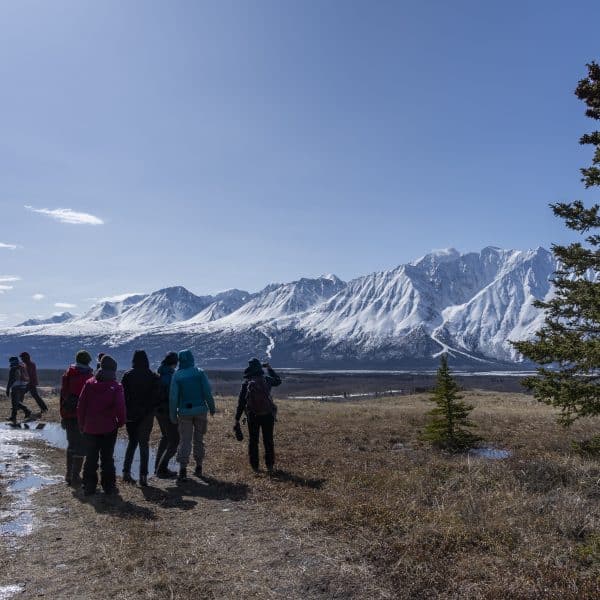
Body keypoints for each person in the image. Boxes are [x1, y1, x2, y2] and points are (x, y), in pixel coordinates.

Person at [77, 354, 126, 496]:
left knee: (91, 457)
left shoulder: (89, 383)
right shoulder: (116, 386)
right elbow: (120, 407)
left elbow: (81, 406)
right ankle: (108, 486)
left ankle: (89, 486)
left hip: (90, 428)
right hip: (109, 428)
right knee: (107, 458)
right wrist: (121, 422)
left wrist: (81, 424)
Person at [169, 349, 215, 482]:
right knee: (199, 439)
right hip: (200, 410)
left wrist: (173, 415)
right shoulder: (200, 372)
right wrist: (212, 408)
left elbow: (173, 398)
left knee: (185, 440)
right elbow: (207, 392)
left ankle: (183, 469)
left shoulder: (177, 376)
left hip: (184, 412)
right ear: (191, 358)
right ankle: (199, 466)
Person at [234, 358, 281, 473]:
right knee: (268, 440)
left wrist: (237, 419)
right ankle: (269, 465)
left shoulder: (247, 383)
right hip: (268, 414)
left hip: (252, 415)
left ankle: (255, 466)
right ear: (260, 368)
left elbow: (241, 403)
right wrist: (269, 368)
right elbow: (278, 381)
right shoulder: (267, 379)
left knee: (253, 440)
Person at [121, 350, 159, 487]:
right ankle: (143, 476)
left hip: (131, 414)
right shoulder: (153, 376)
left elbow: (122, 397)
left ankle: (126, 472)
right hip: (147, 415)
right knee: (144, 444)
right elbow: (156, 397)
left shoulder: (127, 375)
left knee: (132, 442)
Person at [60, 350, 94, 486]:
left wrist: (62, 414)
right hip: (83, 416)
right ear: (88, 361)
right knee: (81, 445)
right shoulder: (90, 376)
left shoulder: (68, 373)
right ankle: (75, 476)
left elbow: (63, 395)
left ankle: (68, 474)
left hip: (68, 413)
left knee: (71, 444)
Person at [154, 351, 179, 478]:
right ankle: (161, 469)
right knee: (175, 440)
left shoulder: (159, 373)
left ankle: (157, 466)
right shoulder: (170, 376)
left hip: (157, 411)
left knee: (165, 437)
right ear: (174, 363)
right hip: (167, 410)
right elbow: (173, 396)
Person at [6, 356, 33, 423]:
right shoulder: (22, 366)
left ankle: (27, 411)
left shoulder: (13, 368)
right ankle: (13, 417)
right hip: (23, 386)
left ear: (12, 361)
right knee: (16, 402)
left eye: (10, 361)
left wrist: (7, 389)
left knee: (15, 402)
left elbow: (11, 380)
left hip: (16, 387)